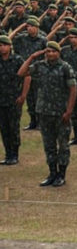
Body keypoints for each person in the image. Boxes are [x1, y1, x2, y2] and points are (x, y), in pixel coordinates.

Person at [17, 41, 77, 187]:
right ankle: (52, 173)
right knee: (48, 145)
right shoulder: (39, 66)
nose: (50, 54)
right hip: (43, 111)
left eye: (53, 51)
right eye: (48, 51)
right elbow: (21, 73)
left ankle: (61, 174)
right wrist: (32, 57)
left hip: (60, 112)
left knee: (63, 145)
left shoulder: (65, 67)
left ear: (58, 53)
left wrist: (69, 110)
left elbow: (73, 89)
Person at [0, 35, 28, 165]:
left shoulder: (17, 60)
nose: (2, 47)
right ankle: (8, 154)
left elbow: (27, 77)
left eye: (4, 45)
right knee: (4, 128)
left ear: (10, 46)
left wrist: (23, 96)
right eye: (0, 45)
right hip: (1, 100)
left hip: (14, 100)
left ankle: (15, 154)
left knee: (13, 127)